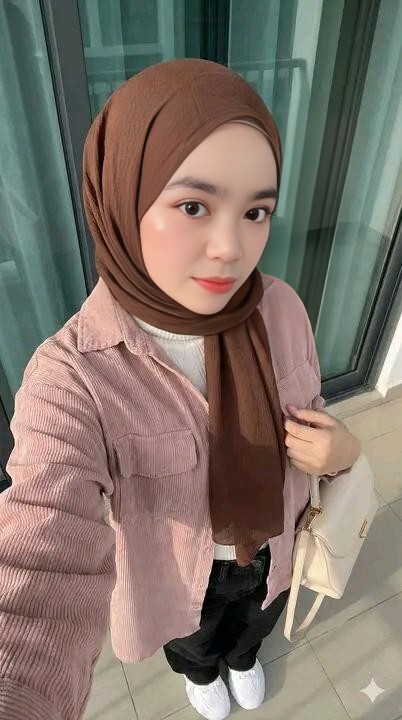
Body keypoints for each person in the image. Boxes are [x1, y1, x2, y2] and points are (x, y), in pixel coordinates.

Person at [0, 58, 361, 720]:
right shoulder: (73, 378)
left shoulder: (281, 309)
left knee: (254, 625)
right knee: (194, 643)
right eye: (193, 206)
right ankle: (201, 673)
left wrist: (343, 453)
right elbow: (40, 560)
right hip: (181, 578)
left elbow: (313, 421)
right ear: (122, 198)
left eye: (256, 211)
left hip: (272, 547)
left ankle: (244, 658)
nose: (231, 247)